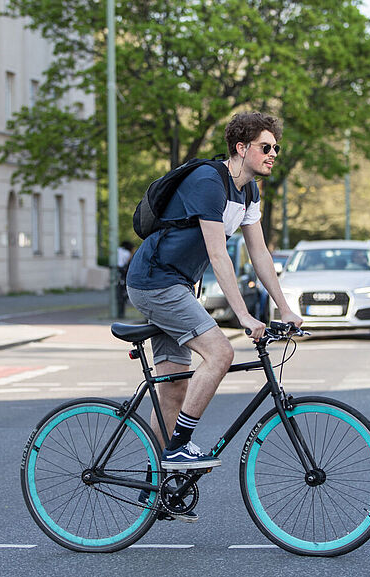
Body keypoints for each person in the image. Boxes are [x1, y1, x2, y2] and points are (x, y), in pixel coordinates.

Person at [126, 112, 302, 498]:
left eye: (276, 147)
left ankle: (154, 486)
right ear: (241, 148)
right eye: (266, 147)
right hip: (155, 282)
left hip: (178, 286)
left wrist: (285, 308)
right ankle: (178, 446)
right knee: (220, 353)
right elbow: (218, 254)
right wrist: (243, 316)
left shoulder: (249, 192)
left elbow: (260, 253)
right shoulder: (209, 181)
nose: (273, 154)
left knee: (174, 388)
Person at [116, 241, 134, 318]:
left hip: (117, 272)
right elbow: (128, 261)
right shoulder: (127, 253)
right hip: (122, 272)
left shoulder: (117, 250)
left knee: (119, 293)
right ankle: (121, 313)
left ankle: (120, 312)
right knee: (122, 293)